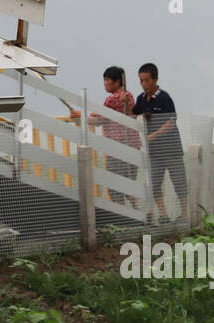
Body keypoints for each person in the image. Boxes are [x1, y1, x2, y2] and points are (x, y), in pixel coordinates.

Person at [69, 67, 139, 206]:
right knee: (128, 184)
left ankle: (122, 215)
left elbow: (98, 120)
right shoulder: (128, 96)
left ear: (117, 81)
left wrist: (79, 116)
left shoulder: (112, 99)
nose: (105, 83)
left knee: (114, 186)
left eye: (108, 80)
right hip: (132, 146)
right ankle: (136, 210)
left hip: (116, 148)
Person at [132, 63, 187, 223]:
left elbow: (171, 122)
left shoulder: (164, 98)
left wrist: (153, 136)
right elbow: (132, 113)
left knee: (180, 183)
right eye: (141, 81)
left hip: (171, 149)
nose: (144, 84)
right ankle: (164, 216)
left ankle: (184, 215)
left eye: (147, 80)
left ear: (155, 79)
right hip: (154, 152)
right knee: (154, 184)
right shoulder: (141, 99)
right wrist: (125, 102)